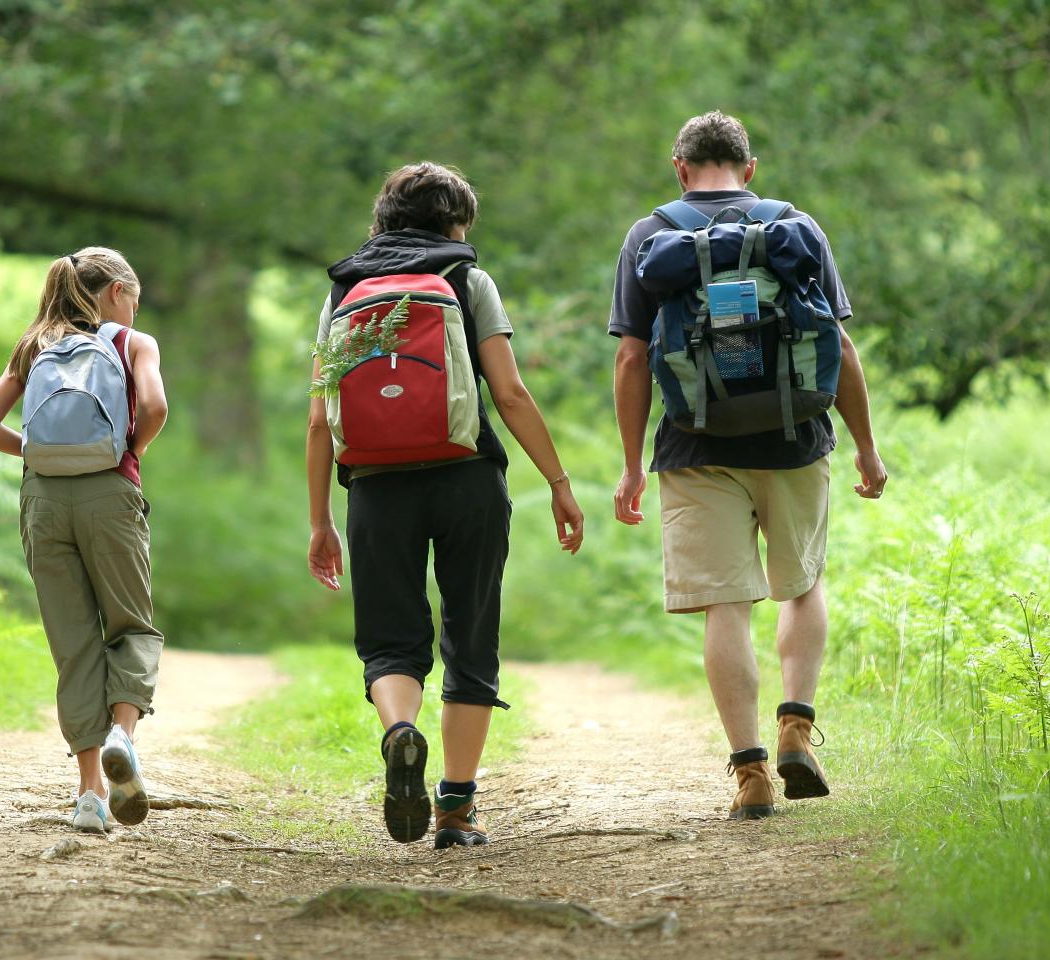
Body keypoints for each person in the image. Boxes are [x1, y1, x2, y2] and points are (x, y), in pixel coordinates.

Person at [608, 112, 887, 820]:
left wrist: (632, 465)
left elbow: (632, 358)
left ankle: (752, 773)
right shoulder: (795, 227)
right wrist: (865, 446)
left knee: (726, 605)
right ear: (750, 168)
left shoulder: (649, 236)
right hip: (796, 439)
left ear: (679, 168)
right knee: (803, 584)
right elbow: (839, 346)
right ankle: (796, 725)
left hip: (696, 446)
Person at [306, 162, 585, 849]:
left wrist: (321, 521)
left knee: (390, 641)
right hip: (468, 478)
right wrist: (558, 481)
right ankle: (455, 810)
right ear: (456, 223)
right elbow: (510, 393)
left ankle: (400, 731)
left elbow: (318, 418)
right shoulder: (467, 280)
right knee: (471, 634)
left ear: (385, 217)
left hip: (376, 486)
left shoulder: (345, 289)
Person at [0, 247, 168, 833]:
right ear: (116, 293)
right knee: (131, 626)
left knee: (74, 645)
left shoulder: (34, 345)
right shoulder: (132, 343)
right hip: (110, 494)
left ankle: (89, 796)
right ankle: (123, 737)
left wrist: (36, 452)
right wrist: (129, 449)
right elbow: (155, 406)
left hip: (44, 502)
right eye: (133, 301)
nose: (133, 312)